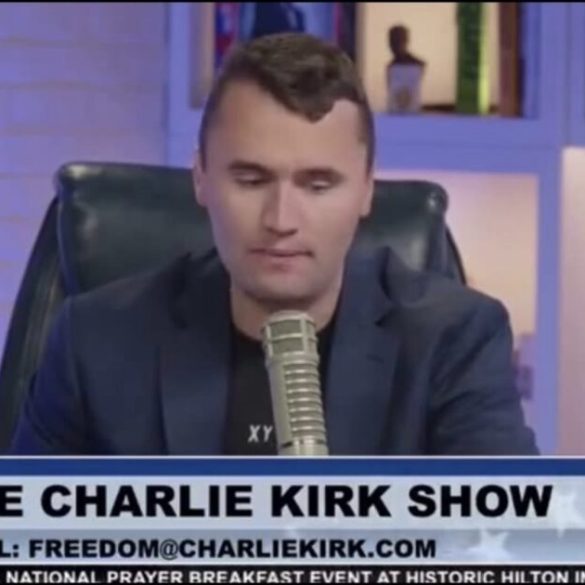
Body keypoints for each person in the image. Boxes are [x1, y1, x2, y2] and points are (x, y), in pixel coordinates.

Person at [9, 33, 538, 456]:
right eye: (251, 179)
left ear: (366, 189)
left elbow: (508, 541)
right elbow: (29, 541)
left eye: (318, 184)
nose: (281, 220)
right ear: (201, 178)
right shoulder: (96, 343)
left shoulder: (454, 341)